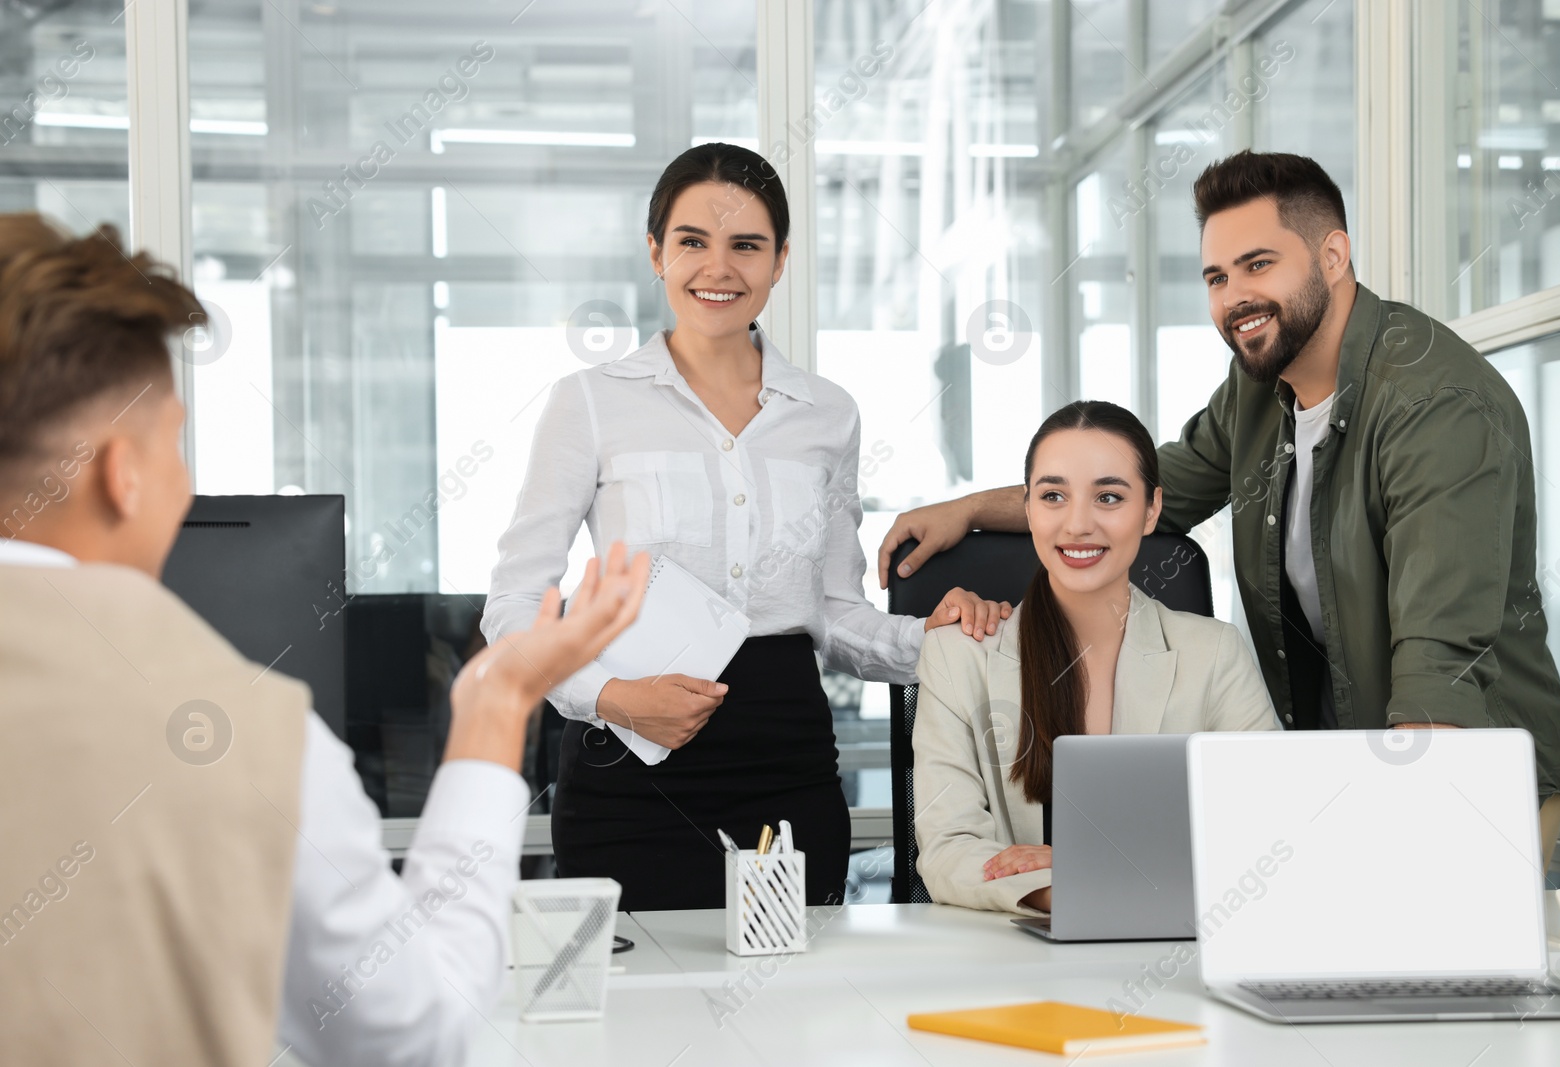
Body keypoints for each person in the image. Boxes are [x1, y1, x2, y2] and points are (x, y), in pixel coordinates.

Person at [0, 213, 650, 1066]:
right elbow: (410, 1033)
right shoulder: (247, 737)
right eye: (174, 446)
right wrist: (497, 706)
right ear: (123, 473)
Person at [880, 150, 1560, 868]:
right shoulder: (1261, 384)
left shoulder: (1435, 407)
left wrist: (1400, 852)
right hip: (1346, 769)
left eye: (1258, 264)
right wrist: (973, 509)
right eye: (1217, 276)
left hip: (1459, 776)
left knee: (1429, 977)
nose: (1234, 296)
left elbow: (1440, 666)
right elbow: (1154, 491)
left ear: (1333, 255)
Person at [482, 142, 1009, 911]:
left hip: (785, 764)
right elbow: (512, 606)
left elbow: (831, 611)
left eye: (746, 245)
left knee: (791, 1012)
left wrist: (938, 641)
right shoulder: (590, 401)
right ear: (657, 250)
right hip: (630, 770)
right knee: (639, 1019)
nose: (717, 268)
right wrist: (612, 697)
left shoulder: (828, 414)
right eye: (693, 241)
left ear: (780, 259)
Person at [913, 401, 1278, 916]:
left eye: (1109, 497)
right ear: (1028, 509)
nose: (1078, 524)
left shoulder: (1215, 654)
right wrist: (1068, 891)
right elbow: (948, 848)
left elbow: (1266, 831)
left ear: (1151, 510)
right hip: (1016, 955)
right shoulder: (957, 655)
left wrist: (1093, 868)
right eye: (1053, 496)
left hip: (1171, 953)